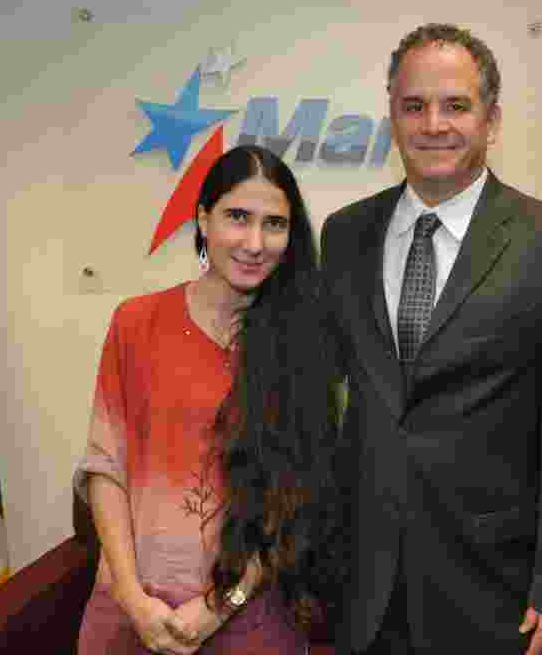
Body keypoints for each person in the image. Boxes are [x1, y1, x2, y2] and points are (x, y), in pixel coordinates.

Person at [319, 23, 542, 655]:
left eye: (455, 105)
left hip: (498, 594)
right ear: (392, 117)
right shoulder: (345, 236)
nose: (433, 124)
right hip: (366, 590)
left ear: (492, 120)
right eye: (414, 106)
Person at [75, 144, 342, 655]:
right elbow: (105, 465)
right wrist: (131, 597)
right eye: (237, 217)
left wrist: (218, 606)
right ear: (203, 219)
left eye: (274, 224)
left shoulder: (303, 345)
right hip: (130, 617)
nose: (254, 243)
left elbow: (295, 498)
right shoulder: (135, 323)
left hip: (248, 620)